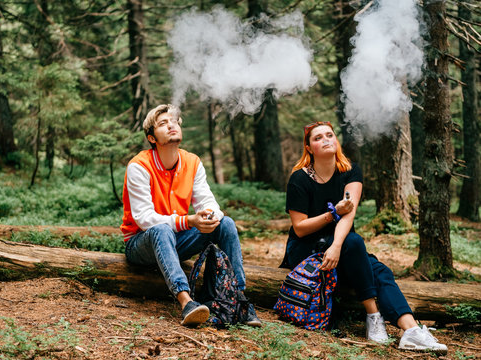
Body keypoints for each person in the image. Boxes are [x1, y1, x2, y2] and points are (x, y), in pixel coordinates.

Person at [279, 121, 447, 352]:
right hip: (306, 249)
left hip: (343, 247)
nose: (326, 139)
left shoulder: (350, 171)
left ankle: (410, 331)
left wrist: (337, 245)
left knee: (379, 269)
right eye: (318, 138)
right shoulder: (299, 178)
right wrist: (332, 214)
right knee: (357, 244)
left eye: (330, 135)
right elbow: (299, 228)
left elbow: (349, 214)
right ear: (308, 148)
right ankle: (373, 315)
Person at [121, 104, 261, 327]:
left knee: (225, 223)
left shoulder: (192, 162)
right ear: (151, 137)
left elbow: (207, 202)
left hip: (177, 240)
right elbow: (144, 219)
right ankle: (187, 302)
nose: (171, 125)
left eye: (174, 121)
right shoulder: (139, 166)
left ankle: (239, 301)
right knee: (161, 229)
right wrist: (189, 220)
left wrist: (211, 217)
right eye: (163, 124)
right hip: (141, 243)